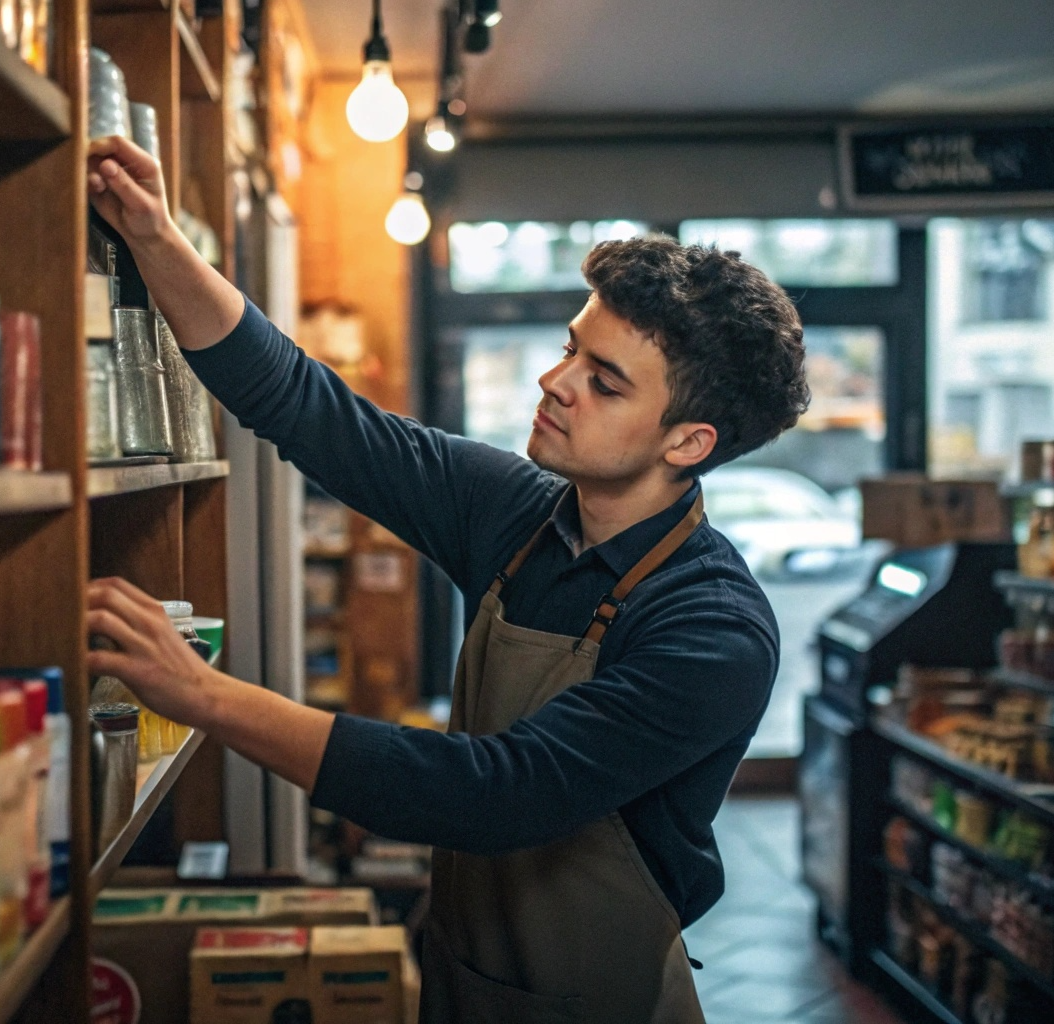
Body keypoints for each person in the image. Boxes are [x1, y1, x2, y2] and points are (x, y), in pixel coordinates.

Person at [84, 135, 810, 1024]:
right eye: (570, 350)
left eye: (603, 381)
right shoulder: (516, 510)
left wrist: (203, 695)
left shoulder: (711, 628)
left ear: (687, 442)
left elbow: (492, 792)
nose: (554, 382)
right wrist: (154, 237)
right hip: (461, 978)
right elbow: (308, 409)